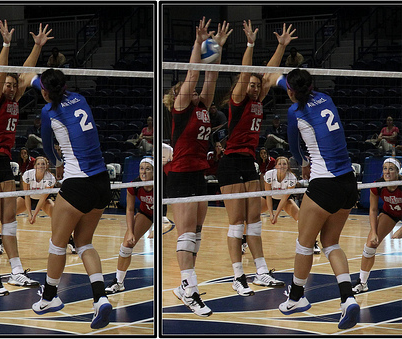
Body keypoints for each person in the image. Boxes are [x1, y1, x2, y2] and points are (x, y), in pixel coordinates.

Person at [0, 20, 52, 296]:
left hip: (4, 162)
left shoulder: (14, 98)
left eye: (11, 84)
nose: (9, 86)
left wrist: (37, 46)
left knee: (9, 219)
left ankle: (16, 271)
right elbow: (1, 72)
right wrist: (6, 44)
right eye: (6, 84)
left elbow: (26, 72)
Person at [217, 20, 296, 297]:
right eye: (250, 84)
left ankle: (260, 271)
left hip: (248, 162)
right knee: (236, 221)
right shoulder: (239, 98)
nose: (254, 87)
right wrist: (250, 44)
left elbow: (269, 73)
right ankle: (238, 276)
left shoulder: (259, 99)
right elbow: (245, 72)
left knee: (254, 220)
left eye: (255, 85)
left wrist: (281, 46)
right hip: (230, 162)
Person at [30, 68, 113, 329]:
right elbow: (46, 87)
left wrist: (55, 164)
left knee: (57, 244)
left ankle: (49, 298)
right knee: (84, 243)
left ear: (45, 92)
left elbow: (46, 146)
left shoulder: (48, 112)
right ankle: (100, 298)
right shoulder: (79, 97)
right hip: (102, 183)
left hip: (78, 183)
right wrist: (34, 80)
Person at [277, 68, 360, 330]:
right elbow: (295, 88)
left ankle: (296, 298)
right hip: (349, 183)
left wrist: (303, 161)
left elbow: (294, 147)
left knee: (304, 243)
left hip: (325, 183)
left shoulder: (294, 112)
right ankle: (348, 298)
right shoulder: (325, 98)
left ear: (291, 91)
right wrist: (281, 80)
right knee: (330, 242)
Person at [162, 17, 232, 317]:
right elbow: (194, 72)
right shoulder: (181, 109)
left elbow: (210, 77)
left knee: (197, 233)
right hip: (180, 175)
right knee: (186, 234)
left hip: (199, 174)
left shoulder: (202, 106)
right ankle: (189, 289)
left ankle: (184, 287)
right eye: (186, 89)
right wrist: (199, 42)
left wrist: (216, 46)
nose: (193, 90)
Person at [352, 158, 402, 294]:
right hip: (390, 213)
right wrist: (374, 232)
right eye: (385, 168)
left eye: (391, 169)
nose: (387, 172)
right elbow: (373, 210)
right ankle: (362, 283)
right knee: (370, 245)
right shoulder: (377, 185)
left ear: (398, 172)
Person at [105, 157, 154, 294]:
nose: (143, 172)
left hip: (163, 215)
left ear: (154, 172)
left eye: (148, 169)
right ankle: (119, 282)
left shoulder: (160, 183)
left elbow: (165, 206)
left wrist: (158, 227)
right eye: (141, 168)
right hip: (146, 213)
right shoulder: (134, 185)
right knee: (126, 245)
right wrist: (131, 231)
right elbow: (130, 210)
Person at [16, 156, 56, 224]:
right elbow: (27, 195)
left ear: (46, 166)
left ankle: (67, 234)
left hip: (43, 200)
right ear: (34, 166)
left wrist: (34, 215)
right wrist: (29, 214)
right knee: (9, 212)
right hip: (28, 198)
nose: (40, 166)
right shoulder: (28, 174)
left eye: (43, 164)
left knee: (56, 214)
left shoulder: (50, 178)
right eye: (38, 164)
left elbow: (43, 198)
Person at [261, 156, 299, 224]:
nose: (282, 166)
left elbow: (284, 198)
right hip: (269, 198)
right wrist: (271, 214)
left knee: (300, 217)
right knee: (251, 212)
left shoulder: (292, 178)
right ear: (275, 166)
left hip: (285, 200)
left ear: (287, 166)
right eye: (279, 164)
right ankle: (244, 234)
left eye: (284, 164)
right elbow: (268, 195)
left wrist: (276, 215)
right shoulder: (269, 174)